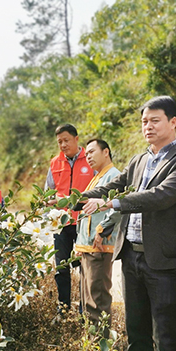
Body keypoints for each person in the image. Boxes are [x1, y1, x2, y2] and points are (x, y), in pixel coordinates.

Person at [81, 96, 176, 351]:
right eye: (144, 121)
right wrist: (71, 199)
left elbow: (160, 196)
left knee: (166, 335)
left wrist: (111, 204)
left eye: (155, 120)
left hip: (163, 261)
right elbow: (112, 187)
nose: (147, 126)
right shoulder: (139, 160)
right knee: (135, 332)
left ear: (173, 122)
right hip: (131, 257)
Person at [45, 124, 95, 311]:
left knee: (85, 267)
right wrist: (52, 204)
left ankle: (84, 309)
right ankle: (63, 308)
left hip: (84, 222)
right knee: (61, 267)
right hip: (62, 223)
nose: (63, 145)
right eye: (59, 142)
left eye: (66, 140)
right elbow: (47, 194)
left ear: (76, 139)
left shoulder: (89, 160)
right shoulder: (55, 163)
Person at [75, 139, 121, 329]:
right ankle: (91, 347)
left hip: (99, 245)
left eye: (92, 152)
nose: (88, 157)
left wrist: (103, 231)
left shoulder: (114, 176)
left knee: (98, 300)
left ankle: (100, 348)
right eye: (86, 154)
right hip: (88, 246)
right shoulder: (97, 177)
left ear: (106, 152)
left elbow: (118, 207)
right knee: (87, 300)